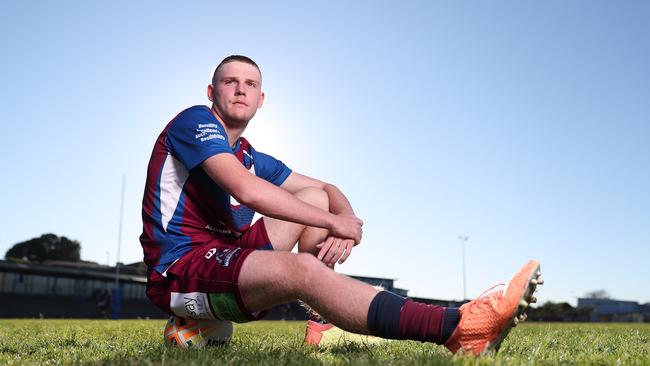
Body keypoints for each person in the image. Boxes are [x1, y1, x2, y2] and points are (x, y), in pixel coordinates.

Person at [140, 55, 543, 355]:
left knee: (313, 197)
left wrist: (345, 218)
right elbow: (250, 192)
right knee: (302, 267)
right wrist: (334, 223)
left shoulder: (248, 153)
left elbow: (326, 188)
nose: (240, 89)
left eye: (250, 83)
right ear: (212, 92)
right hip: (180, 270)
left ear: (262, 99)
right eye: (230, 81)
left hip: (227, 259)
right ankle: (456, 327)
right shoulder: (194, 122)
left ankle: (322, 324)